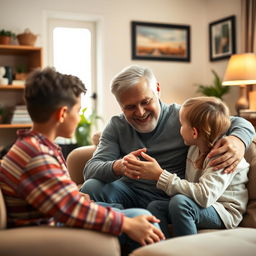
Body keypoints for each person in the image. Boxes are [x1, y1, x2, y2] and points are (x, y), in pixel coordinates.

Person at [0, 67, 165, 252]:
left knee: (139, 216)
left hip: (55, 218)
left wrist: (76, 195)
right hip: (49, 228)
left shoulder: (35, 147)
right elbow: (68, 209)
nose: (79, 118)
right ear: (62, 114)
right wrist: (126, 224)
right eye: (78, 111)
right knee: (140, 218)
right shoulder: (35, 156)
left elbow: (55, 195)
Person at [80, 65, 254, 209]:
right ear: (120, 105)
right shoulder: (117, 125)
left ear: (157, 89)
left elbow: (238, 122)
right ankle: (121, 215)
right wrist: (120, 166)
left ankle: (117, 214)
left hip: (171, 197)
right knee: (90, 187)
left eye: (145, 102)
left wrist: (237, 141)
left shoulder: (184, 117)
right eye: (130, 107)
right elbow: (91, 169)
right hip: (129, 193)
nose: (140, 112)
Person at [122, 96, 249, 238]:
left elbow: (204, 196)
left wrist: (160, 175)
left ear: (194, 132)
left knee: (180, 202)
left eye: (181, 125)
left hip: (224, 211)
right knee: (155, 206)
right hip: (202, 206)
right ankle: (162, 249)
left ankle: (186, 249)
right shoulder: (194, 149)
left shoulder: (221, 156)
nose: (179, 129)